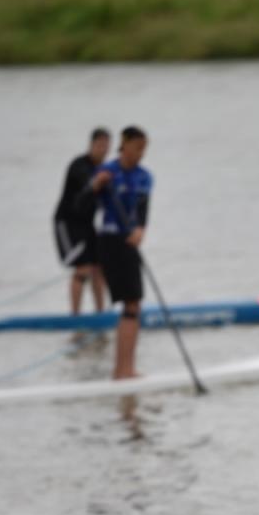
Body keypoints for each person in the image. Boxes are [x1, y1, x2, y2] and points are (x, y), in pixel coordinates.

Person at [78, 125, 152, 379]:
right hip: (109, 241)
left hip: (130, 242)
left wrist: (141, 229)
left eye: (145, 149)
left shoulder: (144, 177)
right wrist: (96, 186)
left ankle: (125, 368)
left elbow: (142, 211)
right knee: (130, 303)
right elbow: (80, 206)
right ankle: (122, 370)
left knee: (134, 306)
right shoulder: (107, 171)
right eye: (138, 147)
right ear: (126, 144)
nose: (141, 153)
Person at [53, 127, 111, 316]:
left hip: (87, 224)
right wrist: (97, 183)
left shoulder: (104, 170)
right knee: (82, 268)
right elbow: (88, 186)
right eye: (100, 145)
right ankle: (75, 316)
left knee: (98, 267)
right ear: (91, 145)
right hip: (67, 223)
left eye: (106, 146)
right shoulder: (79, 165)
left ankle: (100, 314)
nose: (103, 150)